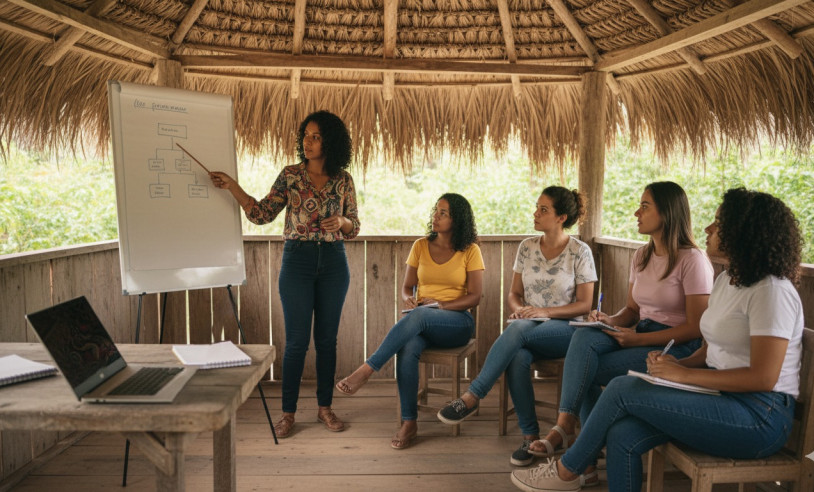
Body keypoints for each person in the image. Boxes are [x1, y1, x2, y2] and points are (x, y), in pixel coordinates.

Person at [511, 187, 805, 492]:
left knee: (622, 387)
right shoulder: (728, 280)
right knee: (622, 433)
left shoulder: (772, 291)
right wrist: (676, 363)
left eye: (718, 223)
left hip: (759, 416)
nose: (708, 228)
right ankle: (575, 458)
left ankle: (567, 469)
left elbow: (763, 376)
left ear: (744, 232)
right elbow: (711, 348)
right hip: (719, 396)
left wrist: (685, 374)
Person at [526, 181, 714, 477]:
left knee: (584, 369)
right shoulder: (642, 256)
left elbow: (696, 328)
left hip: (674, 349)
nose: (636, 212)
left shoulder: (693, 260)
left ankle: (579, 450)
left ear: (667, 212)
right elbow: (632, 311)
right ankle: (570, 432)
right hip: (640, 335)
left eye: (645, 206)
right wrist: (607, 320)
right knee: (585, 335)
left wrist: (638, 338)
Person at [209, 110, 360, 438]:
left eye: (316, 136)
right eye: (305, 135)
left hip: (335, 263)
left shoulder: (344, 179)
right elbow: (261, 214)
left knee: (327, 342)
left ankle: (325, 408)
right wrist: (232, 187)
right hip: (297, 262)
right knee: (295, 343)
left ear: (330, 141)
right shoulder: (291, 175)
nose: (308, 141)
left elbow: (354, 226)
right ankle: (288, 414)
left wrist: (342, 223)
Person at [436, 186, 597, 467]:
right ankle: (530, 436)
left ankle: (473, 395)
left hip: (568, 330)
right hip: (529, 329)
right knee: (517, 356)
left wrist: (543, 311)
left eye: (543, 209)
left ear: (561, 217)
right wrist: (519, 309)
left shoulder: (579, 251)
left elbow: (584, 305)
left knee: (518, 332)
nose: (536, 213)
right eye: (537, 207)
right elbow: (514, 294)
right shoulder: (527, 247)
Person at [335, 193, 484, 449]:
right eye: (436, 211)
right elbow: (407, 288)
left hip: (457, 323)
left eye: (443, 213)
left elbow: (475, 297)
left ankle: (367, 370)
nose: (435, 216)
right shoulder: (420, 245)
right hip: (422, 320)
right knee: (409, 347)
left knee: (421, 315)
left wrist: (441, 305)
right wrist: (409, 300)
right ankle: (409, 422)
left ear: (457, 219)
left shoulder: (470, 251)